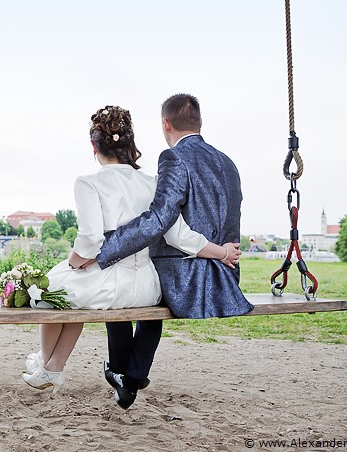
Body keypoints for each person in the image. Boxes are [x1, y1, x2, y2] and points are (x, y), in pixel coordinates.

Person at [21, 105, 241, 395]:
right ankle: (48, 366)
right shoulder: (151, 183)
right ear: (129, 144)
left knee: (48, 291)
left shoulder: (87, 182)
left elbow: (90, 242)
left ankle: (50, 365)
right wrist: (222, 252)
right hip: (147, 287)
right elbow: (179, 235)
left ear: (93, 146)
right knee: (67, 294)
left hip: (110, 283)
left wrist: (74, 263)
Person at [94, 94, 253, 409]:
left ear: (165, 124)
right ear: (199, 122)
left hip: (186, 279)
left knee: (120, 280)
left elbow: (160, 219)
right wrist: (222, 254)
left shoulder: (173, 158)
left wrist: (106, 251)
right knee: (141, 286)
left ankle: (123, 374)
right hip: (226, 279)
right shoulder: (227, 163)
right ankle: (131, 377)